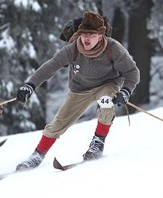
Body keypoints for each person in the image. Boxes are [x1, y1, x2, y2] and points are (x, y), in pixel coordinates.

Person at [16, 11, 140, 171]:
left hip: (107, 84)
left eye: (92, 34)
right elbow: (51, 66)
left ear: (101, 36)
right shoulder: (72, 49)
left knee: (106, 102)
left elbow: (132, 72)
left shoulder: (113, 48)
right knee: (58, 122)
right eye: (84, 34)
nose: (86, 38)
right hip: (80, 89)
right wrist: (30, 85)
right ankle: (37, 155)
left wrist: (125, 91)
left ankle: (98, 143)